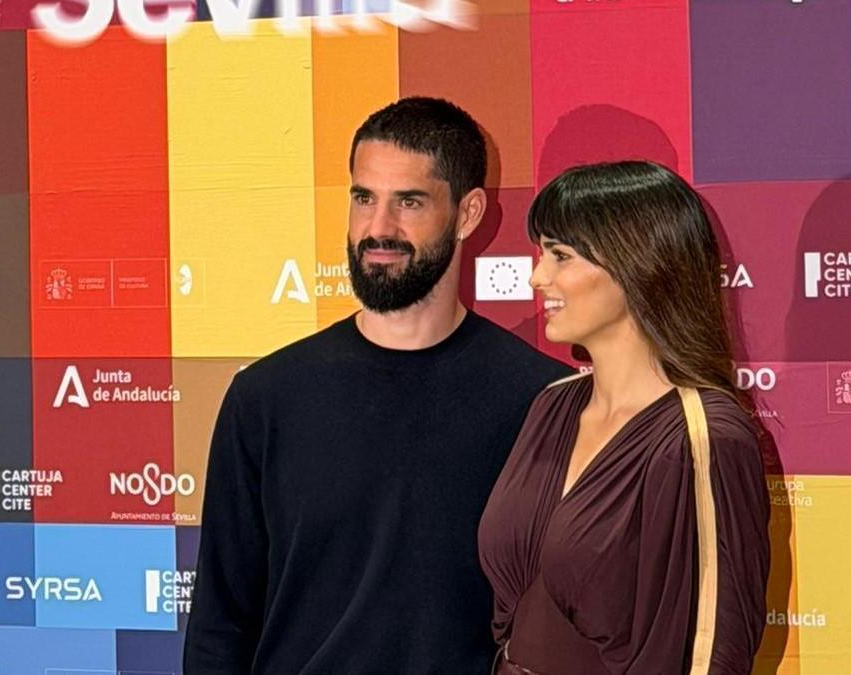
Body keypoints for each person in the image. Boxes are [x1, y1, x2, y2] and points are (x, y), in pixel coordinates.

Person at [183, 97, 573, 674]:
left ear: (467, 214)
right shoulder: (266, 398)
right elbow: (220, 623)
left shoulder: (542, 400)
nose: (378, 228)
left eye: (408, 202)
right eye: (363, 198)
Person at [478, 161, 771, 674]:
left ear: (639, 262)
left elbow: (717, 649)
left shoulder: (703, 435)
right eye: (541, 253)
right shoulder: (552, 405)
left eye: (560, 256)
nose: (536, 276)